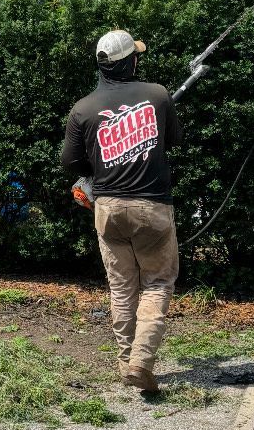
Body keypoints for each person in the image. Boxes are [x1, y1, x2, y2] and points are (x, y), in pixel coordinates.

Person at [60, 28, 181, 392]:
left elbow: (70, 162)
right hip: (152, 206)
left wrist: (97, 169)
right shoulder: (157, 95)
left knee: (122, 286)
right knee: (157, 283)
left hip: (108, 209)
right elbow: (175, 140)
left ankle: (126, 360)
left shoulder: (82, 109)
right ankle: (141, 361)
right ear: (131, 62)